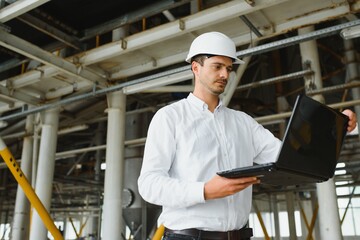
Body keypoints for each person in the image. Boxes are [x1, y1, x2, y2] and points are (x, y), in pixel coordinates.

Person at [137, 32, 357, 240]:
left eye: (229, 68)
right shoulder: (170, 118)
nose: (225, 74)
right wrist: (205, 191)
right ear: (196, 67)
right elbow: (149, 185)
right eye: (217, 66)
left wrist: (336, 128)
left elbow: (289, 157)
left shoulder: (243, 122)